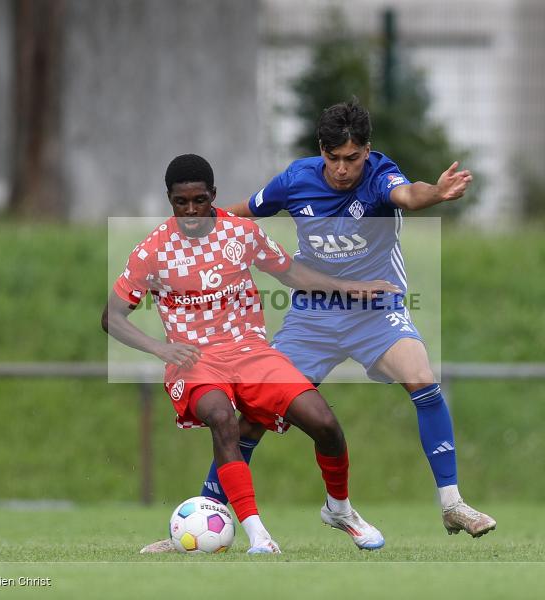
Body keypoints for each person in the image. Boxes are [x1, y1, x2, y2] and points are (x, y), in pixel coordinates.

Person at [140, 101, 494, 554]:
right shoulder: (296, 180)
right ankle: (204, 517)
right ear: (321, 151)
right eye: (334, 158)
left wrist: (436, 193)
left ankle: (452, 503)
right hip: (312, 316)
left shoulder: (381, 175)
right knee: (250, 419)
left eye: (353, 158)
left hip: (374, 309)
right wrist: (188, 226)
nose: (343, 169)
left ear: (368, 150)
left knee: (422, 377)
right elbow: (242, 211)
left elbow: (410, 195)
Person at [104, 153, 397, 554]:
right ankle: (258, 534)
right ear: (169, 200)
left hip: (251, 354)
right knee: (223, 419)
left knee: (324, 423)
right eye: (181, 202)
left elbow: (289, 271)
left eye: (200, 200)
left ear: (214, 196)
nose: (191, 211)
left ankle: (340, 510)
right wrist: (161, 348)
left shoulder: (241, 233)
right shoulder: (152, 251)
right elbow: (112, 317)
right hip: (194, 361)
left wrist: (348, 288)